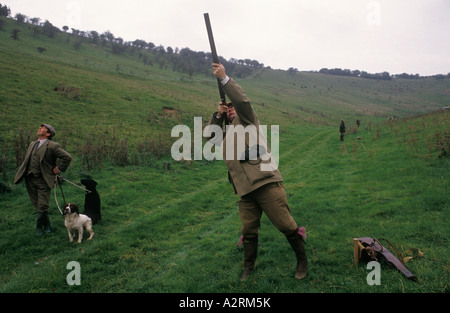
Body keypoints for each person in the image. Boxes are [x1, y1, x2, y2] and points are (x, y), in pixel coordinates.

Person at [207, 63, 307, 281]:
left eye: (232, 108)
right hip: (244, 190)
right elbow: (209, 138)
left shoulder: (249, 120)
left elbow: (243, 102)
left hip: (266, 182)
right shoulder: (226, 131)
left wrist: (224, 78)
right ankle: (248, 268)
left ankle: (302, 261)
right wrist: (218, 114)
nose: (232, 109)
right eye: (229, 107)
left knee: (285, 225)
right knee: (249, 230)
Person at [14, 124, 72, 235]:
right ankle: (48, 225)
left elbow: (67, 157)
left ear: (48, 133)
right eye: (40, 127)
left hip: (44, 180)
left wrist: (59, 169)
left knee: (43, 205)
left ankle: (39, 228)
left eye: (43, 128)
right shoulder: (32, 144)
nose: (39, 128)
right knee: (37, 205)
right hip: (30, 179)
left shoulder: (52, 146)